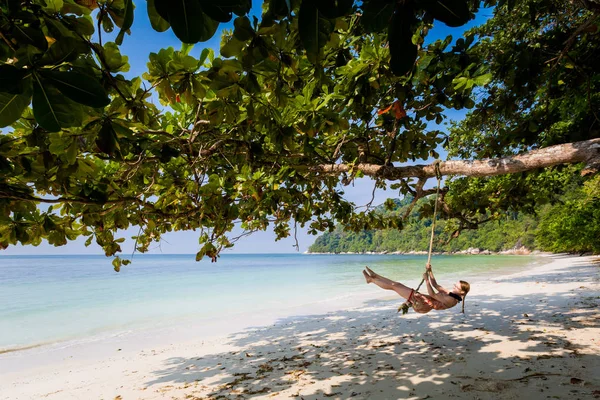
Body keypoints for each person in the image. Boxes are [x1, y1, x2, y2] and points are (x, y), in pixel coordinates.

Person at [362, 265, 470, 314]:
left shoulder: (451, 300)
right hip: (423, 300)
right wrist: (430, 270)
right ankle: (376, 277)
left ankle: (371, 280)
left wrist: (426, 280)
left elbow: (432, 293)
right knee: (397, 285)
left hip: (422, 304)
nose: (453, 286)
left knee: (394, 286)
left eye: (456, 287)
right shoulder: (452, 295)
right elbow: (435, 285)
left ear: (462, 292)